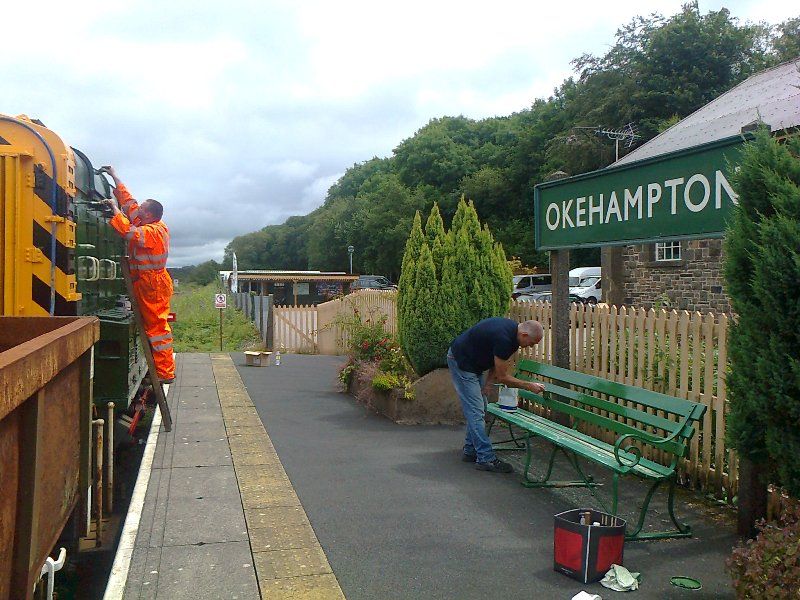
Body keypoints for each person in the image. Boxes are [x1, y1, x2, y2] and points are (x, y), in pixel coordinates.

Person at [100, 166, 175, 384]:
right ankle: (162, 370)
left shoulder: (153, 232)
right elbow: (130, 204)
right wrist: (115, 176)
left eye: (142, 209)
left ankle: (165, 373)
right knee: (155, 327)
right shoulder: (148, 221)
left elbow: (128, 232)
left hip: (154, 285)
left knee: (157, 328)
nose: (136, 209)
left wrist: (114, 209)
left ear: (149, 215)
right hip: (149, 283)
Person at [447, 318, 545, 473]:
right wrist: (529, 386)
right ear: (524, 334)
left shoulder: (513, 335)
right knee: (476, 411)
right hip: (461, 362)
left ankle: (470, 450)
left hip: (474, 364)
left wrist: (488, 385)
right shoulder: (504, 338)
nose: (530, 347)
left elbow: (496, 362)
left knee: (481, 407)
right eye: (532, 343)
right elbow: (503, 376)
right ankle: (485, 458)